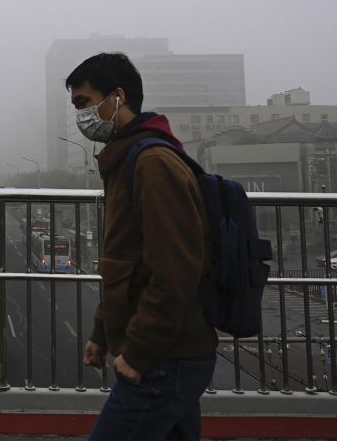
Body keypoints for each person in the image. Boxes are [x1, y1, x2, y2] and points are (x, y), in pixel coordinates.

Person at [67, 52, 217, 441]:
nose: (80, 117)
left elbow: (175, 270)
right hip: (166, 355)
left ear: (117, 97)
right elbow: (125, 260)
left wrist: (137, 353)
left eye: (84, 103)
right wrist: (102, 332)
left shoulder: (152, 163)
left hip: (166, 359)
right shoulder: (127, 159)